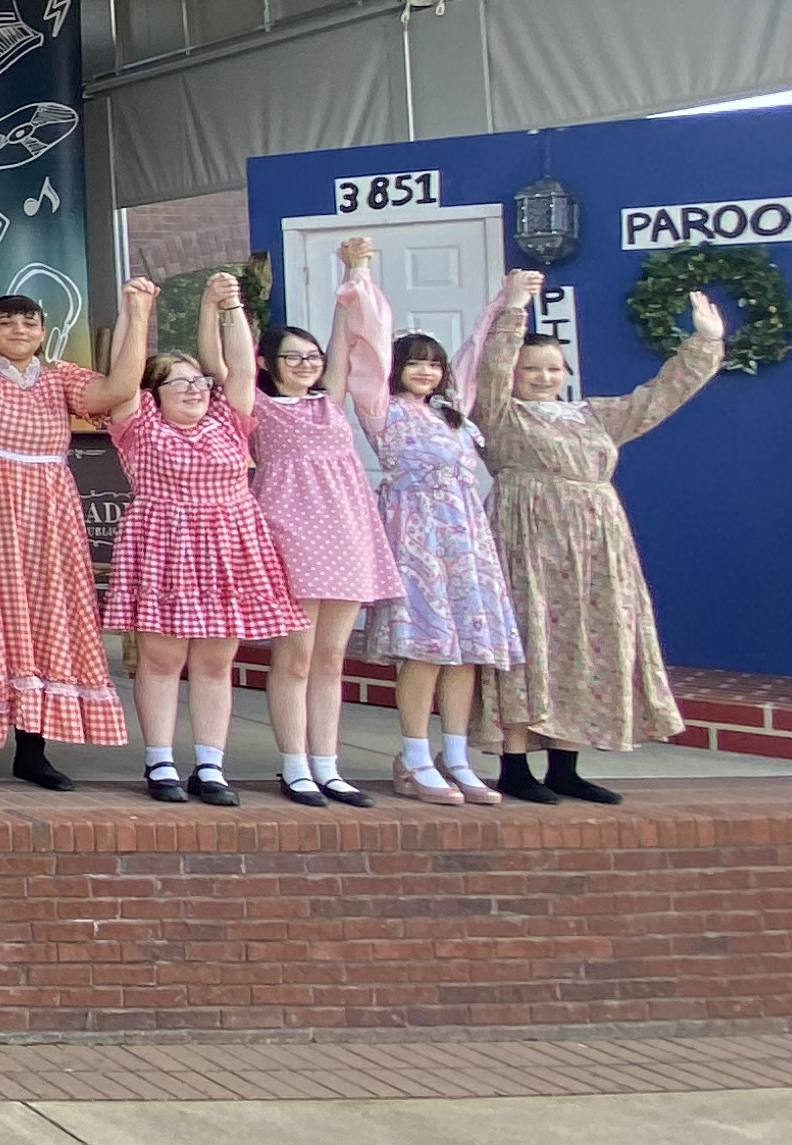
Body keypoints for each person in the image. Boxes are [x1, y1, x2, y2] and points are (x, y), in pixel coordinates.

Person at [478, 268, 725, 803]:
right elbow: (491, 371)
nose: (543, 377)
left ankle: (566, 763)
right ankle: (514, 765)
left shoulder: (592, 416)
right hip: (528, 541)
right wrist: (514, 308)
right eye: (531, 368)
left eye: (552, 368)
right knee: (530, 641)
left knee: (586, 640)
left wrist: (704, 343)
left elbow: (658, 398)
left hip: (597, 544)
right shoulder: (500, 415)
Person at [0, 216, 132, 783]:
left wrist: (136, 318)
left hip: (46, 511)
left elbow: (118, 391)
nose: (18, 327)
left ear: (44, 332)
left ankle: (34, 752)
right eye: (6, 320)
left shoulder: (61, 377)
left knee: (46, 619)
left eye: (29, 321)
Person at [99, 276, 298, 805]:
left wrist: (229, 305)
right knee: (162, 661)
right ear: (154, 393)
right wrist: (133, 310)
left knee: (214, 664)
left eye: (198, 382)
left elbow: (238, 364)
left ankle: (210, 765)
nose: (193, 389)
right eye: (178, 382)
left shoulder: (229, 421)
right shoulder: (137, 425)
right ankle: (160, 761)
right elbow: (123, 371)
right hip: (166, 543)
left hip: (228, 546)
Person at [341, 257, 521, 804]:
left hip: (465, 537)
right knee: (424, 648)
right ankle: (415, 758)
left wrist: (508, 302)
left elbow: (474, 355)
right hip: (415, 534)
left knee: (466, 650)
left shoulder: (453, 413)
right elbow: (368, 346)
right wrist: (362, 274)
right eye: (416, 363)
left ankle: (458, 758)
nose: (428, 372)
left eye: (433, 365)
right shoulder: (381, 408)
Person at [249, 299, 394, 808]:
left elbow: (340, 350)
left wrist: (345, 301)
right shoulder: (258, 405)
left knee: (332, 657)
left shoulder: (329, 400)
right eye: (293, 357)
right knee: (295, 656)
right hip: (293, 531)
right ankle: (294, 765)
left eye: (311, 357)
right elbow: (227, 364)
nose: (307, 364)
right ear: (266, 363)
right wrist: (225, 311)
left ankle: (329, 766)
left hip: (348, 530)